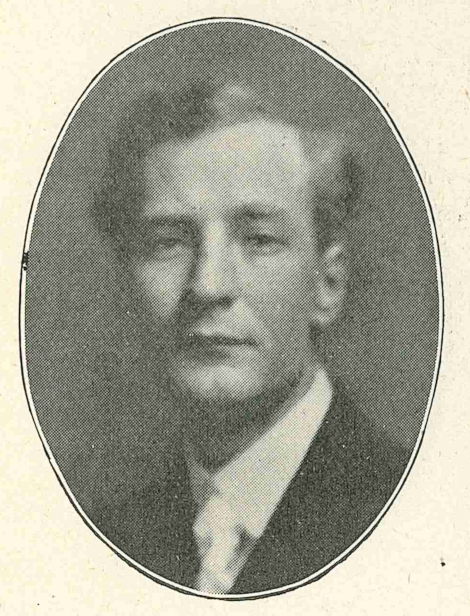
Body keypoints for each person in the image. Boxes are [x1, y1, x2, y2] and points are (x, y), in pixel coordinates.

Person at [91, 81, 409, 595]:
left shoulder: (417, 510)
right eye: (169, 242)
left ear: (326, 285)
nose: (208, 286)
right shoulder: (105, 538)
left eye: (259, 239)